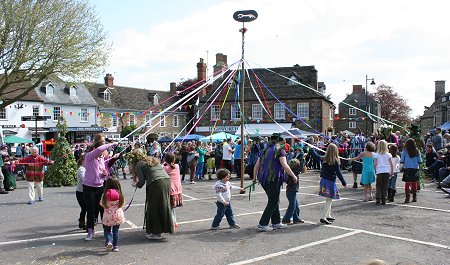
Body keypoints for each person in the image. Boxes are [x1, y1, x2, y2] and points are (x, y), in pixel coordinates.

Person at [253, 133, 298, 232]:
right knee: (273, 201)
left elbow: (256, 165)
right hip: (273, 178)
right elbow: (285, 165)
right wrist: (293, 175)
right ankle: (262, 224)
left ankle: (276, 222)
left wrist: (254, 177)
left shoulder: (264, 150)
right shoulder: (280, 150)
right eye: (283, 142)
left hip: (263, 179)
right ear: (280, 141)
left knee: (274, 200)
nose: (284, 144)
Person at [82, 133, 116, 241]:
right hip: (88, 187)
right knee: (91, 210)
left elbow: (102, 172)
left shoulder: (102, 159)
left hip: (100, 186)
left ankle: (107, 230)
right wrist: (112, 143)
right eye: (102, 142)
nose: (103, 144)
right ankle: (90, 231)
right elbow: (99, 149)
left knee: (103, 209)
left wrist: (104, 174)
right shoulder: (89, 156)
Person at [133, 154, 173, 240]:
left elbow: (141, 181)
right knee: (163, 205)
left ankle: (156, 232)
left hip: (156, 183)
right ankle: (162, 229)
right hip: (166, 181)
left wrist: (135, 184)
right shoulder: (153, 161)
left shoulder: (139, 165)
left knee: (154, 207)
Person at [311, 143, 347, 224]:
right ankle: (323, 217)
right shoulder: (335, 161)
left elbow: (315, 155)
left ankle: (328, 215)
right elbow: (338, 173)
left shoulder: (324, 159)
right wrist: (344, 183)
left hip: (324, 181)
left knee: (329, 199)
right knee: (329, 200)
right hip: (330, 182)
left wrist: (312, 148)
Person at [100, 178, 125, 252]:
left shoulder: (105, 195)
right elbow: (122, 203)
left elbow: (101, 204)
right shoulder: (119, 194)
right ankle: (116, 246)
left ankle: (109, 241)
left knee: (107, 230)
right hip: (117, 216)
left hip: (107, 217)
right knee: (116, 231)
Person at [163, 152, 183, 230]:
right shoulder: (177, 166)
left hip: (171, 191)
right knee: (173, 208)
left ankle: (172, 223)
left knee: (170, 209)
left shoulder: (165, 168)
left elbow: (162, 166)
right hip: (177, 190)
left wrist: (164, 162)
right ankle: (175, 222)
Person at [281, 159, 304, 225]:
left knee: (296, 206)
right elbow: (301, 167)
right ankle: (286, 219)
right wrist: (303, 158)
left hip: (291, 191)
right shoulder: (294, 172)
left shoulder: (290, 171)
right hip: (291, 191)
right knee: (292, 206)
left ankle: (296, 218)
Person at [400, 138, 423, 203]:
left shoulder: (404, 151)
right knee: (414, 182)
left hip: (407, 168)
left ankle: (407, 198)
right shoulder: (417, 151)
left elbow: (402, 161)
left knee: (407, 183)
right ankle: (414, 197)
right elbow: (420, 161)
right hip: (415, 168)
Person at [374, 140, 393, 205]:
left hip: (379, 171)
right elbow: (391, 164)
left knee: (379, 185)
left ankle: (378, 198)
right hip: (386, 171)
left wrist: (375, 170)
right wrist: (392, 171)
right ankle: (384, 199)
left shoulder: (376, 155)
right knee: (385, 186)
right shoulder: (388, 155)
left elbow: (375, 164)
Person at [76, 156, 87, 230]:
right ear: (82, 162)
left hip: (83, 191)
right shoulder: (81, 169)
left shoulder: (84, 169)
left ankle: (81, 221)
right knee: (85, 207)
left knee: (85, 208)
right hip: (81, 192)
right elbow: (84, 179)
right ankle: (82, 222)